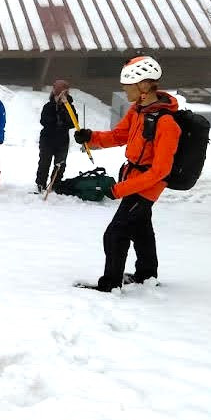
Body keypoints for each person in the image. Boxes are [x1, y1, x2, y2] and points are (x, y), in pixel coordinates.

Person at [74, 55, 180, 292]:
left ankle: (110, 284)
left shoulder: (166, 124)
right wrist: (91, 137)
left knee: (115, 234)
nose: (123, 89)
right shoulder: (138, 110)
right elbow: (119, 136)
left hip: (147, 186)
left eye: (127, 84)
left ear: (144, 85)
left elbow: (161, 170)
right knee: (141, 228)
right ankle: (147, 275)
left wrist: (117, 190)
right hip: (133, 179)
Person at [36, 79, 74, 192]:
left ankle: (55, 184)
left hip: (62, 141)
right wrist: (55, 108)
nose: (60, 96)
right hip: (47, 140)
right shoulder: (48, 106)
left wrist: (64, 111)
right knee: (44, 162)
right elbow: (44, 121)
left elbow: (73, 122)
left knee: (60, 164)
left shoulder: (70, 107)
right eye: (57, 93)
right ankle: (41, 183)